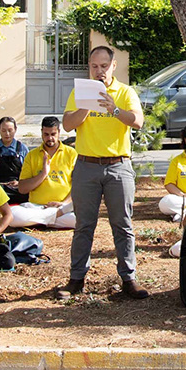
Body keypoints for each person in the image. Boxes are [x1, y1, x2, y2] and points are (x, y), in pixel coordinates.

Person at [59, 46, 148, 300]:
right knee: (84, 226)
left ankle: (129, 279)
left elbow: (138, 121)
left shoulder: (125, 92)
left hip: (118, 166)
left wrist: (114, 109)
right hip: (87, 165)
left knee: (123, 225)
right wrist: (85, 108)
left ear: (113, 66)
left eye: (103, 66)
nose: (99, 71)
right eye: (94, 67)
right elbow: (66, 125)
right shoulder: (80, 92)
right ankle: (76, 279)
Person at [8, 116, 78, 228]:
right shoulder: (32, 155)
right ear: (41, 133)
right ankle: (52, 218)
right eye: (46, 134)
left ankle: (40, 221)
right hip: (36, 207)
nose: (50, 138)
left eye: (53, 134)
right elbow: (22, 189)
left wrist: (64, 204)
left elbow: (78, 185)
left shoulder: (71, 153)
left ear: (59, 132)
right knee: (12, 215)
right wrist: (43, 174)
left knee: (79, 219)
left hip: (63, 207)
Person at [0, 116, 30, 204]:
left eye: (10, 130)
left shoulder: (22, 148)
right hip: (0, 187)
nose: (7, 134)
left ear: (15, 129)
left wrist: (19, 183)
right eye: (4, 130)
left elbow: (30, 170)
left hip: (18, 187)